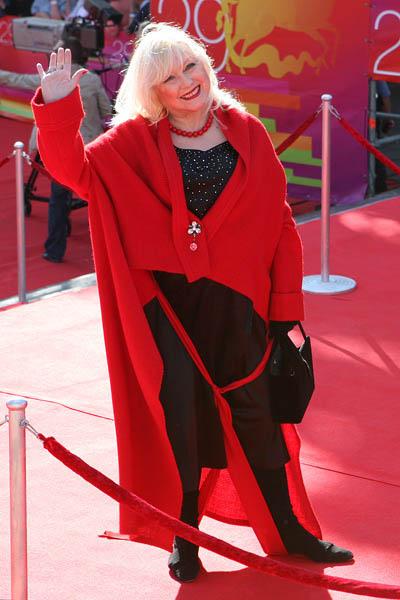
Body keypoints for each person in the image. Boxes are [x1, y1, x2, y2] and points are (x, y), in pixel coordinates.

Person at [32, 23, 353, 582]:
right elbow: (73, 171)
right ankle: (184, 539)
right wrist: (58, 107)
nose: (186, 82)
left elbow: (280, 224)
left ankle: (291, 532)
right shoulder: (132, 141)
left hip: (241, 306)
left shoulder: (246, 131)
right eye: (169, 77)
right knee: (181, 420)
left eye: (191, 67)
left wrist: (284, 308)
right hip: (167, 310)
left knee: (259, 417)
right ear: (151, 89)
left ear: (207, 67)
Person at [0, 36, 112, 262]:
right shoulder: (91, 80)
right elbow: (106, 111)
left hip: (60, 147)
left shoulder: (48, 78)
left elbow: (16, 79)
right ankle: (108, 247)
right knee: (99, 195)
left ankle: (54, 250)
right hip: (90, 147)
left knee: (58, 197)